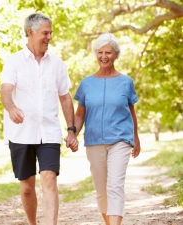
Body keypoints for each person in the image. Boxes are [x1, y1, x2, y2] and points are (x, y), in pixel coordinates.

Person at [0, 12, 78, 225]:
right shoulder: (13, 61)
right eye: (45, 33)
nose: (49, 37)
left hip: (49, 132)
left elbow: (64, 97)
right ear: (30, 32)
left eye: (51, 33)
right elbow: (5, 90)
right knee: (26, 187)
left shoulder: (57, 64)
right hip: (21, 133)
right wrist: (11, 107)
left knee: (50, 179)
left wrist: (71, 129)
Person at [73, 32, 141, 225]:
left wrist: (136, 137)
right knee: (101, 190)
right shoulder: (87, 83)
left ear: (116, 55)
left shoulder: (126, 82)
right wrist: (73, 134)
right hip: (94, 141)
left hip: (120, 140)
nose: (104, 56)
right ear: (96, 54)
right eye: (100, 52)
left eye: (109, 53)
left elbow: (131, 112)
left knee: (115, 186)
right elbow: (80, 114)